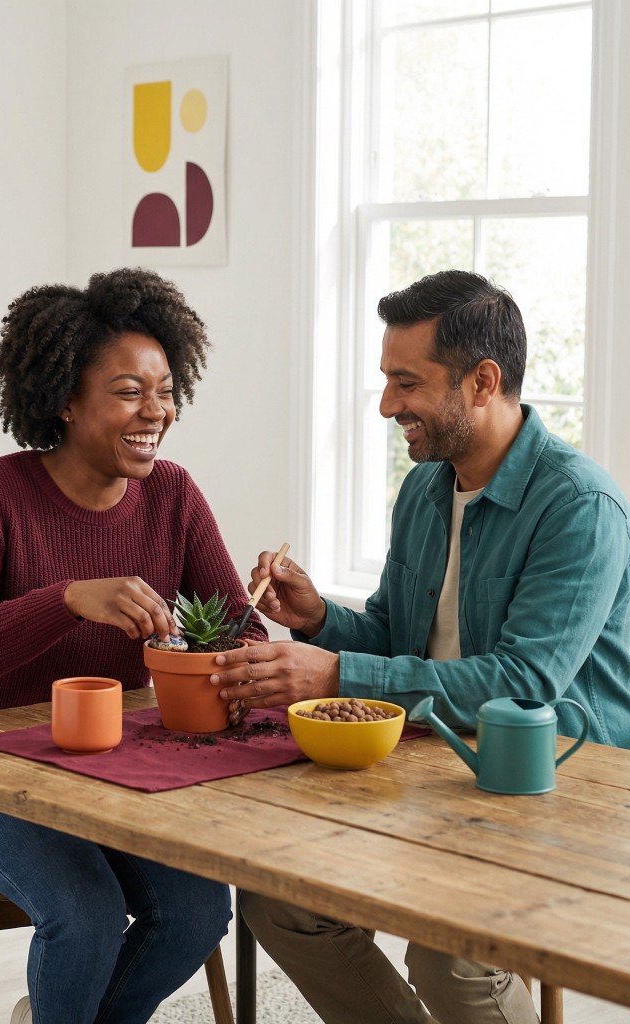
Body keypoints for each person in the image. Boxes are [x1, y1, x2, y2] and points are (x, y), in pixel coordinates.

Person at [211, 269, 630, 1024]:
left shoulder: (580, 505)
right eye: (385, 380)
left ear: (482, 382)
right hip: (434, 764)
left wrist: (335, 671)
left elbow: (524, 684)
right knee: (280, 902)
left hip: (555, 787)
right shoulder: (426, 488)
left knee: (452, 954)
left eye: (406, 383)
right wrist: (319, 622)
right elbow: (402, 641)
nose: (385, 405)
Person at [0, 266, 267, 1024]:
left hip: (111, 775)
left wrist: (229, 637)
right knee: (85, 915)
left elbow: (244, 630)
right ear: (67, 399)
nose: (158, 411)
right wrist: (69, 600)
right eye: (130, 391)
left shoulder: (172, 493)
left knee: (199, 910)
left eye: (167, 389)